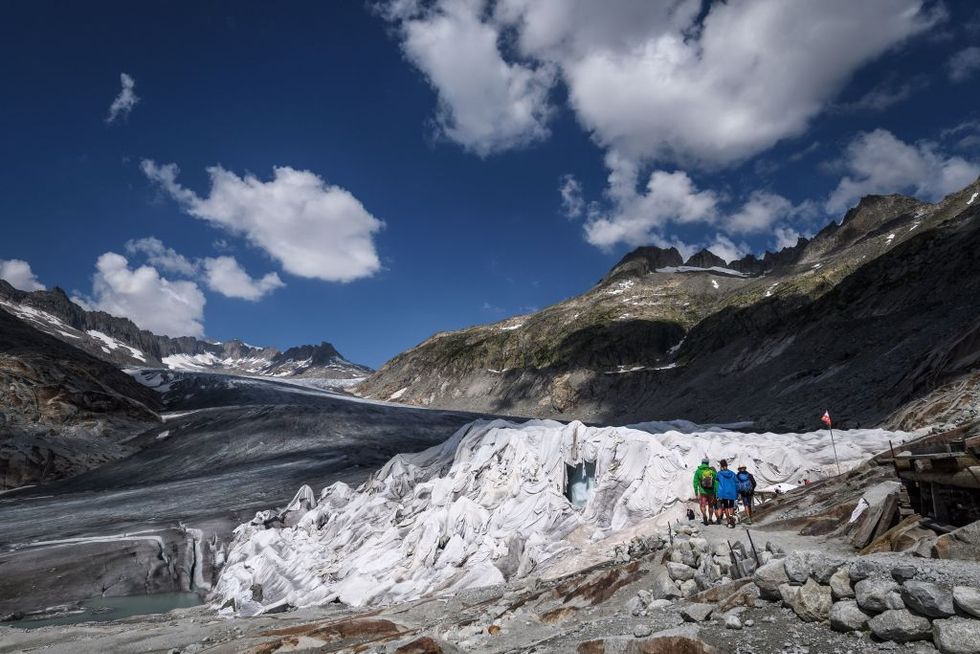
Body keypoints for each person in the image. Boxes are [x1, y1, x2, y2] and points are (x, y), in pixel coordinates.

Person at [692, 458, 717, 526]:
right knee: (711, 506)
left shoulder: (698, 471)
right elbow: (716, 482)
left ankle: (704, 515)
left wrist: (696, 492)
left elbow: (695, 482)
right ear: (708, 463)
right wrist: (715, 491)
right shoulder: (712, 471)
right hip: (711, 492)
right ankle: (710, 519)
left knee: (702, 505)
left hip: (703, 492)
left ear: (702, 463)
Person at [715, 459, 738, 528]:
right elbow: (736, 482)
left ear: (721, 466)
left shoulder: (719, 473)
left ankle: (729, 521)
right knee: (731, 506)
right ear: (727, 465)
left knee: (726, 507)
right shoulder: (733, 473)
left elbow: (717, 479)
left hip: (723, 493)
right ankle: (731, 519)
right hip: (732, 492)